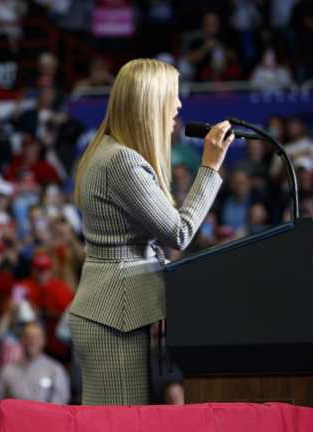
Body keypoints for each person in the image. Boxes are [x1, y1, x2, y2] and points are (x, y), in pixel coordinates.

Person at [68, 58, 234, 405]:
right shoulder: (122, 161)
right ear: (151, 102)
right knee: (119, 426)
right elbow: (180, 232)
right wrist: (210, 167)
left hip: (113, 310)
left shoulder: (110, 152)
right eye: (172, 95)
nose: (178, 105)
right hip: (114, 315)